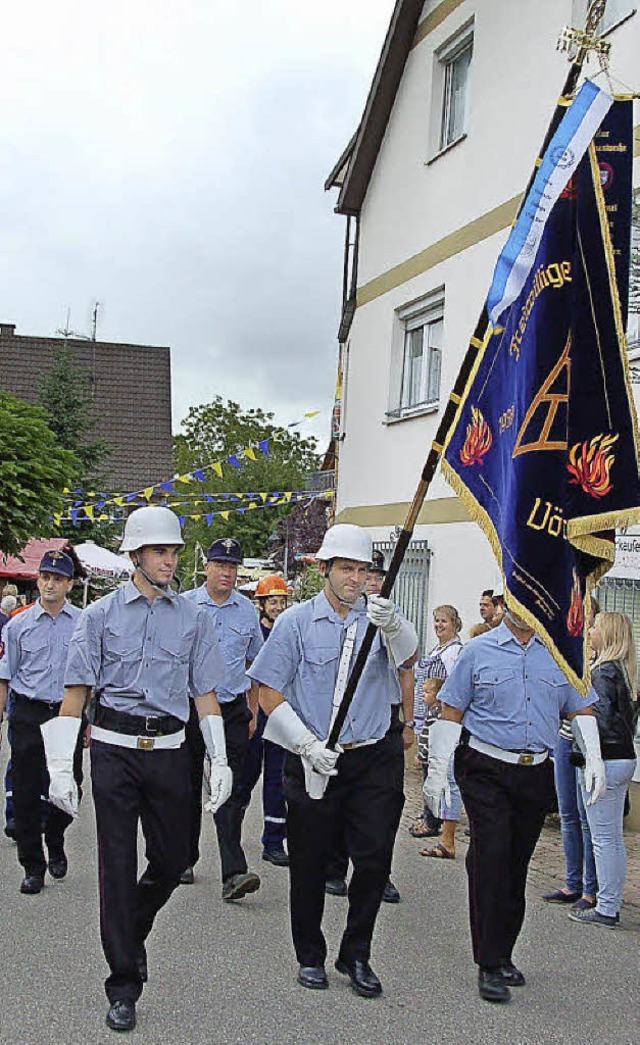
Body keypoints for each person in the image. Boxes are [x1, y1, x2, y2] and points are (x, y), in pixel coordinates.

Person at [41, 506, 232, 1032]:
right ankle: (123, 982)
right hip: (113, 750)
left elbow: (206, 694)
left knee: (176, 859)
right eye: (160, 551)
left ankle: (134, 926)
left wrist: (219, 758)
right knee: (117, 866)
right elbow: (76, 691)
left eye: (174, 551)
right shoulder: (100, 617)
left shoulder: (193, 617)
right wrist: (61, 768)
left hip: (171, 750)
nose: (170, 560)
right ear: (135, 556)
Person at [248, 523, 417, 997]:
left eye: (362, 569)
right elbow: (268, 693)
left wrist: (395, 626)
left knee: (375, 859)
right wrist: (304, 745)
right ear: (325, 569)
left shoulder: (381, 618)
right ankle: (310, 954)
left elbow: (409, 661)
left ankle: (356, 953)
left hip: (372, 756)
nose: (355, 579)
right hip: (312, 757)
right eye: (346, 568)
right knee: (309, 861)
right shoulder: (295, 622)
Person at [424, 593, 605, 1004]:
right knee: (492, 855)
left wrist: (594, 759)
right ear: (506, 606)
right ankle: (488, 962)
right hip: (486, 766)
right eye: (519, 603)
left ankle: (503, 951)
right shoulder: (478, 651)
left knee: (515, 863)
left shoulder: (560, 654)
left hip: (534, 770)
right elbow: (451, 711)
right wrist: (438, 773)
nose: (528, 612)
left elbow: (581, 709)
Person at [325, 547, 414, 904]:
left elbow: (407, 670)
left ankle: (379, 872)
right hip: (343, 721)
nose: (371, 581)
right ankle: (334, 867)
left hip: (384, 720)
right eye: (367, 574)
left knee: (385, 806)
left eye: (374, 575)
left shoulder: (394, 619)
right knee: (338, 801)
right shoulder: (345, 615)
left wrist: (408, 721)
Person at [183, 537, 264, 899]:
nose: (227, 573)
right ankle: (183, 857)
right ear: (207, 568)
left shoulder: (247, 611)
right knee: (184, 787)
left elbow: (255, 664)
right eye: (220, 565)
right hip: (189, 709)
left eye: (232, 567)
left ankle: (234, 872)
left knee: (228, 786)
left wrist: (253, 711)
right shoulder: (184, 606)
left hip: (231, 708)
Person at [0, 551, 83, 894]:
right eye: (46, 577)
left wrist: (89, 720)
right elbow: (5, 676)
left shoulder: (82, 623)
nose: (50, 584)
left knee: (69, 785)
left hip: (67, 712)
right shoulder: (18, 624)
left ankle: (57, 834)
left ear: (70, 585)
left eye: (58, 579)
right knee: (25, 791)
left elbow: (90, 676)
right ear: (37, 580)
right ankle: (32, 865)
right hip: (29, 712)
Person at [568, 611, 638, 928]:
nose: (590, 631)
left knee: (604, 838)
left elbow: (600, 721)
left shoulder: (603, 673)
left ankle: (607, 907)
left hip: (606, 760)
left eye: (595, 627)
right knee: (611, 838)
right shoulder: (626, 671)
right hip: (624, 757)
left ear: (606, 634)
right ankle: (610, 901)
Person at [542, 597, 599, 911]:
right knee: (568, 815)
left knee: (587, 818)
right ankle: (572, 882)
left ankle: (591, 888)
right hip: (563, 738)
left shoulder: (594, 656)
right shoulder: (565, 647)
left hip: (583, 741)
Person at [236, 574, 290, 866]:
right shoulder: (255, 634)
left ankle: (273, 841)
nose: (278, 607)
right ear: (262, 604)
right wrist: (251, 713)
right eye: (273, 601)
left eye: (282, 601)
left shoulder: (290, 632)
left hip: (280, 717)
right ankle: (232, 828)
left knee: (277, 780)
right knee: (246, 776)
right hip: (256, 716)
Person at [411, 606, 464, 855]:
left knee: (443, 774)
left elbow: (455, 687)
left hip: (442, 719)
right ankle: (430, 815)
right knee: (429, 770)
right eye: (436, 621)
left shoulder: (453, 654)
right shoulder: (438, 650)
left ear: (455, 624)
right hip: (428, 718)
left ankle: (436, 821)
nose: (439, 625)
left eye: (443, 621)